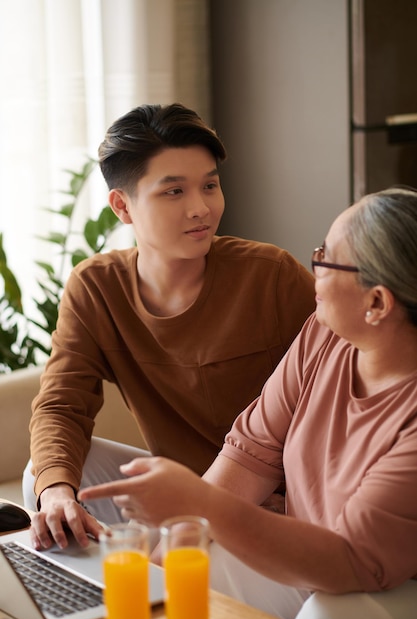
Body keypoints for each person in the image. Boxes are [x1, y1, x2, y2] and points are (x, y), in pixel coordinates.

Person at [79, 187, 417, 619]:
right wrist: (157, 574)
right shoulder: (326, 333)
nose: (312, 266)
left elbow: (350, 560)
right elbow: (251, 453)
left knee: (327, 615)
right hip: (300, 554)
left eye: (325, 257)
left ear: (376, 303)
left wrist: (199, 503)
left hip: (378, 585)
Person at [25, 102, 315, 551]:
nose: (201, 208)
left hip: (268, 495)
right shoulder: (96, 287)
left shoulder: (271, 275)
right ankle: (94, 605)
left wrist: (292, 496)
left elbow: (347, 390)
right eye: (174, 192)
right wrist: (57, 491)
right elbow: (62, 405)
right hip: (183, 491)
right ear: (122, 206)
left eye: (210, 186)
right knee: (45, 479)